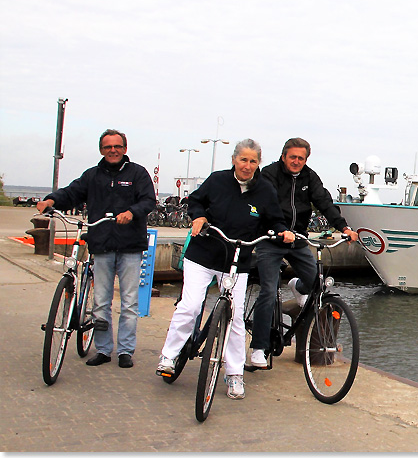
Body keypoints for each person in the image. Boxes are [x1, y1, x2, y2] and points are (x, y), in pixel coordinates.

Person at [156, 139, 294, 399]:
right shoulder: (217, 180)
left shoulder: (264, 189)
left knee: (235, 317)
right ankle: (169, 355)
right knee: (191, 306)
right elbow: (195, 201)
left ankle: (234, 374)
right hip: (203, 256)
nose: (248, 165)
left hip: (236, 261)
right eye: (243, 160)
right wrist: (199, 216)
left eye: (253, 161)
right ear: (234, 160)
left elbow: (274, 219)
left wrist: (282, 232)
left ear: (258, 164)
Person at [36, 129, 156, 369]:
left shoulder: (138, 174)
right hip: (101, 244)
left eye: (117, 146)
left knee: (129, 302)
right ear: (102, 150)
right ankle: (103, 349)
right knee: (101, 301)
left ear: (125, 149)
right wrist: (51, 200)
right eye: (108, 147)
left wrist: (132, 213)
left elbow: (148, 201)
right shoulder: (93, 175)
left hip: (131, 246)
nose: (113, 150)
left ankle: (125, 351)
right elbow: (72, 193)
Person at [249, 137, 358, 368]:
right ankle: (258, 348)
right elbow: (265, 205)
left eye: (301, 158)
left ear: (306, 159)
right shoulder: (269, 174)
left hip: (296, 239)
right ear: (283, 156)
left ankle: (297, 287)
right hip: (270, 238)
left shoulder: (310, 177)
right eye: (293, 157)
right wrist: (279, 230)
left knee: (318, 283)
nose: (296, 161)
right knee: (268, 291)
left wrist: (344, 228)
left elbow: (325, 203)